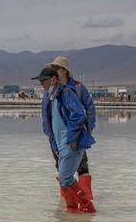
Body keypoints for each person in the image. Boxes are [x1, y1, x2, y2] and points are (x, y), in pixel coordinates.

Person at [34, 66, 96, 213]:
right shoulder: (49, 97)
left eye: (43, 81)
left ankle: (88, 208)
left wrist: (73, 138)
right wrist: (52, 142)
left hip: (70, 143)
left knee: (66, 178)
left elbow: (79, 114)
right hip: (59, 144)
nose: (41, 84)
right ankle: (72, 211)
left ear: (53, 79)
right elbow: (47, 121)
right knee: (63, 180)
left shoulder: (67, 92)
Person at [46, 56, 97, 199]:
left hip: (75, 133)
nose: (53, 72)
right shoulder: (51, 89)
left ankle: (86, 197)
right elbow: (47, 113)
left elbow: (89, 107)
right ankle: (68, 198)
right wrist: (49, 133)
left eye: (55, 68)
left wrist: (90, 126)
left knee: (82, 165)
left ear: (64, 70)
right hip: (57, 136)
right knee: (60, 165)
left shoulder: (78, 87)